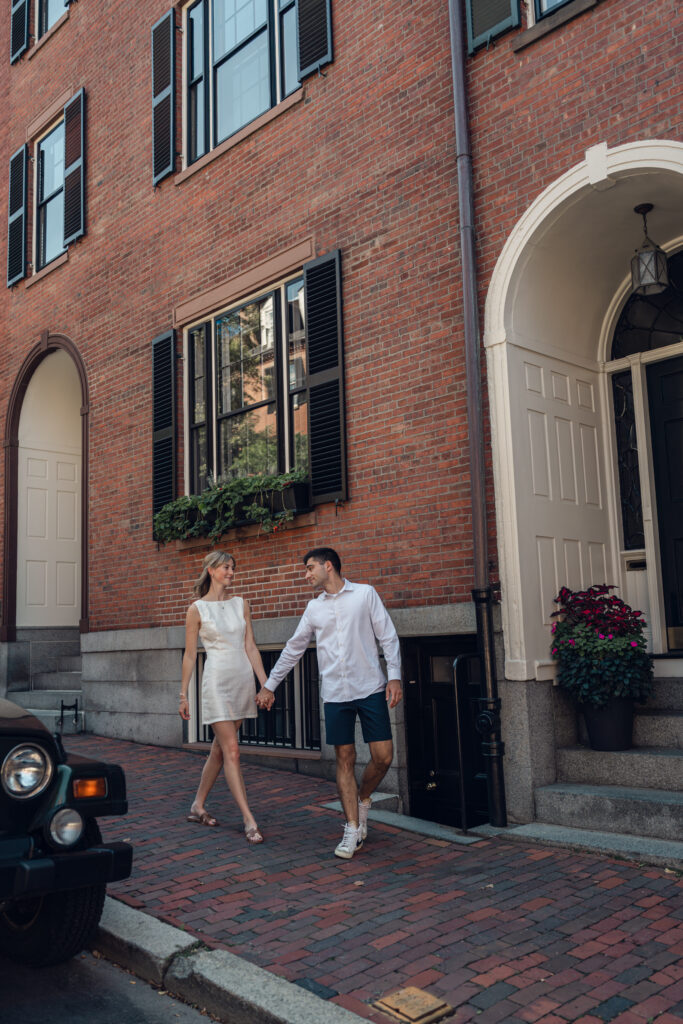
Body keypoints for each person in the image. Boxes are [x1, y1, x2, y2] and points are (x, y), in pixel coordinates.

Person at [256, 547, 402, 859]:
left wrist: (394, 676)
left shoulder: (365, 595)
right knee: (345, 758)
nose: (306, 574)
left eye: (310, 568)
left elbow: (387, 637)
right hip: (335, 694)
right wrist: (269, 686)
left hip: (370, 688)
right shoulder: (314, 609)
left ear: (329, 566)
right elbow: (293, 649)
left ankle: (363, 798)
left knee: (383, 757)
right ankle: (351, 828)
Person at [179, 550, 269, 844]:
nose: (231, 572)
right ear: (210, 570)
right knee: (232, 751)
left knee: (220, 750)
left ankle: (197, 806)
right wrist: (183, 694)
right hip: (216, 682)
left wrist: (266, 684)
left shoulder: (242, 604)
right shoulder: (196, 609)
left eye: (233, 567)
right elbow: (191, 656)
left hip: (241, 679)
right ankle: (249, 819)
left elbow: (251, 647)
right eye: (226, 567)